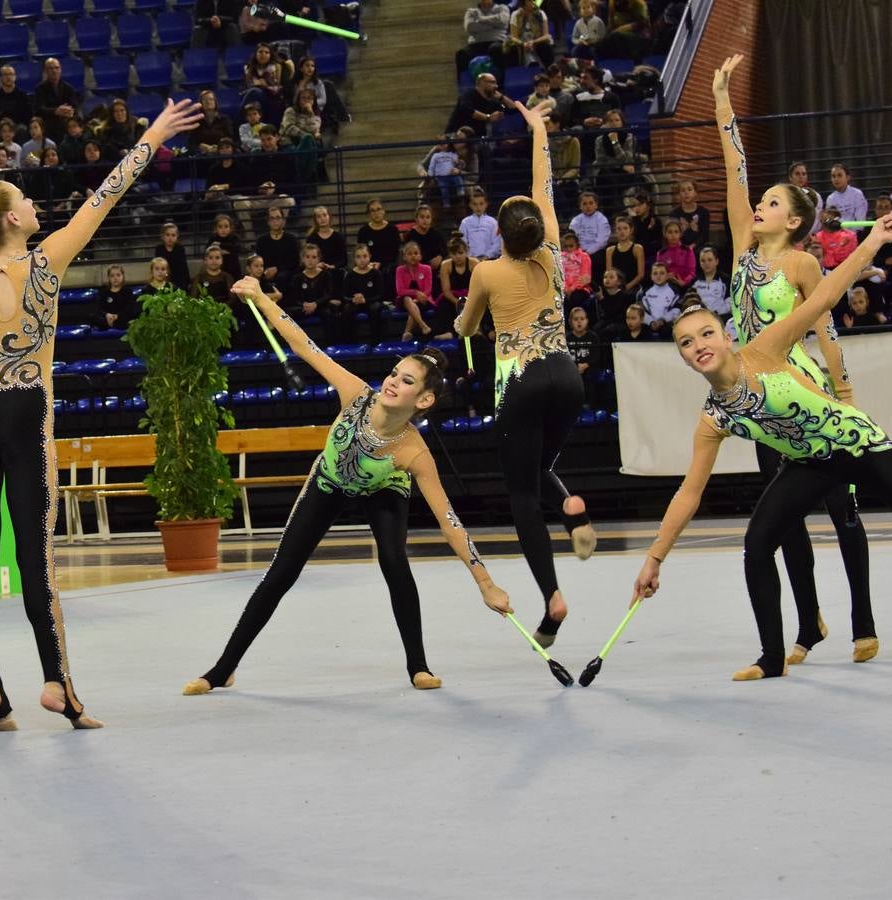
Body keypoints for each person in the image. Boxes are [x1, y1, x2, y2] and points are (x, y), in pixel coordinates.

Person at [634, 214, 892, 680]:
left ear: (725, 335)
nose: (697, 345)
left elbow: (822, 297)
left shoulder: (761, 351)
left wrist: (873, 244)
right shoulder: (713, 418)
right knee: (758, 542)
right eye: (685, 342)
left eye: (705, 334)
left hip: (857, 443)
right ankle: (771, 658)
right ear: (680, 356)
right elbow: (689, 492)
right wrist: (655, 557)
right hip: (809, 463)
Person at [0, 98, 202, 729]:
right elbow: (108, 193)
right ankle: (58, 686)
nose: (39, 207)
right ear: (13, 218)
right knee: (36, 556)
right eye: (29, 202)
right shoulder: (49, 258)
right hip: (23, 410)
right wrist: (151, 136)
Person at [183, 279, 516, 695]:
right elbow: (304, 345)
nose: (393, 381)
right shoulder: (355, 394)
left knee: (395, 562)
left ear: (424, 401)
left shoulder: (413, 453)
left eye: (407, 381)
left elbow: (449, 522)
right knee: (281, 573)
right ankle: (223, 668)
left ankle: (418, 665)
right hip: (330, 481)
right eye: (395, 372)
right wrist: (261, 296)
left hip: (383, 486)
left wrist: (485, 583)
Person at [714, 54, 875, 665]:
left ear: (798, 219)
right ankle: (808, 625)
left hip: (806, 392)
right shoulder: (741, 249)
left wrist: (846, 394)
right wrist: (723, 99)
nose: (760, 205)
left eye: (774, 202)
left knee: (841, 508)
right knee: (785, 522)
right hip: (761, 400)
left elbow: (827, 333)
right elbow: (735, 169)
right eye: (763, 200)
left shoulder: (803, 264)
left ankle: (863, 616)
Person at [456, 100, 598, 649]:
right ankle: (570, 504)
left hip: (519, 380)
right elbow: (546, 185)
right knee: (542, 464)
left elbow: (467, 327)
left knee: (520, 492)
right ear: (537, 229)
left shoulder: (487, 271)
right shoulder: (554, 256)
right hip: (566, 376)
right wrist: (539, 126)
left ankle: (552, 599)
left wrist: (464, 323)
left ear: (501, 233)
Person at [344, 243, 387, 342]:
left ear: (370, 257)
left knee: (375, 307)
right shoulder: (350, 275)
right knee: (347, 308)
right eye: (358, 257)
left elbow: (380, 294)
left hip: (371, 302)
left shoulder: (376, 273)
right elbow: (345, 295)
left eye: (364, 256)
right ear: (354, 259)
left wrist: (365, 300)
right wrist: (353, 299)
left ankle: (376, 340)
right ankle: (350, 341)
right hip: (356, 303)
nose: (362, 259)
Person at [455, 0, 510, 76]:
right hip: (476, 43)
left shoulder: (502, 8)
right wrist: (494, 25)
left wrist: (481, 19)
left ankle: (498, 81)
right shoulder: (471, 12)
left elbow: (502, 21)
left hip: (496, 41)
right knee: (461, 54)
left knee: (496, 49)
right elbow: (470, 27)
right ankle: (466, 84)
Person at [0, 65, 32, 148]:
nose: (8, 77)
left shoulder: (22, 95)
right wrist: (4, 123)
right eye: (5, 74)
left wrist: (11, 123)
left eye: (11, 74)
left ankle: (20, 156)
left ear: (15, 77)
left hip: (17, 125)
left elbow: (28, 115)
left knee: (23, 129)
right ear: (0, 78)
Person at [33, 57, 81, 142]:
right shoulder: (40, 89)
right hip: (48, 121)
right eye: (51, 68)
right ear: (45, 71)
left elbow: (74, 107)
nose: (54, 71)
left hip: (65, 120)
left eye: (57, 68)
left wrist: (69, 111)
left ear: (60, 70)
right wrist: (56, 111)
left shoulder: (68, 88)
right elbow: (39, 109)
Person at [95, 263, 137, 329]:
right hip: (107, 319)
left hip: (122, 319)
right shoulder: (104, 292)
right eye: (112, 276)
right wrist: (107, 315)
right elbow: (99, 309)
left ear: (123, 276)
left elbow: (130, 309)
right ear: (108, 278)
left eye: (118, 275)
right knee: (96, 318)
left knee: (130, 319)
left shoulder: (127, 291)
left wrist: (117, 316)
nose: (115, 278)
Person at [154, 221, 192, 292]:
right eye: (167, 235)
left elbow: (184, 266)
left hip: (179, 280)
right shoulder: (159, 249)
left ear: (177, 236)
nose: (170, 238)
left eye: (173, 235)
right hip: (164, 279)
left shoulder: (180, 248)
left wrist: (188, 282)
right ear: (162, 236)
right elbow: (156, 266)